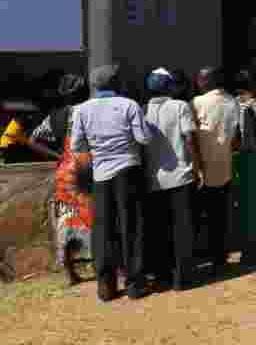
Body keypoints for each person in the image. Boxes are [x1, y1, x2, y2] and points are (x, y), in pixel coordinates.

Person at [71, 64, 152, 301]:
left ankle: (105, 286)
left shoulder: (82, 110)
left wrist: (99, 148)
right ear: (116, 83)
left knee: (104, 229)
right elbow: (143, 138)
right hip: (128, 170)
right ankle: (135, 284)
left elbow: (77, 146)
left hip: (101, 174)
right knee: (131, 227)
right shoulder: (129, 105)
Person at [144, 68, 203, 291]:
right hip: (181, 177)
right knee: (182, 229)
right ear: (169, 86)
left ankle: (162, 277)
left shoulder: (142, 110)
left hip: (154, 180)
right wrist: (197, 168)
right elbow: (189, 140)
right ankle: (182, 278)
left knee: (160, 230)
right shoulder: (180, 107)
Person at [32, 74, 93, 286]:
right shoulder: (90, 111)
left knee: (66, 221)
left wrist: (57, 156)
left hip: (65, 173)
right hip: (89, 170)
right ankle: (111, 266)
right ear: (84, 92)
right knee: (99, 216)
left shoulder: (54, 117)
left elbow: (33, 139)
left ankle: (70, 273)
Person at [193, 66, 240, 277]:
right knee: (220, 215)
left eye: (201, 79)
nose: (198, 82)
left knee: (202, 216)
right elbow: (237, 136)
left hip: (203, 169)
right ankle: (220, 257)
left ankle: (206, 257)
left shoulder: (197, 103)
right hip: (225, 166)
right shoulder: (233, 102)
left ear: (208, 82)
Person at [234, 70, 256, 268]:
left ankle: (242, 245)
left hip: (236, 156)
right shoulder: (255, 104)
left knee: (240, 202)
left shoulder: (232, 103)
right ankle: (249, 249)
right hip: (252, 156)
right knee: (252, 203)